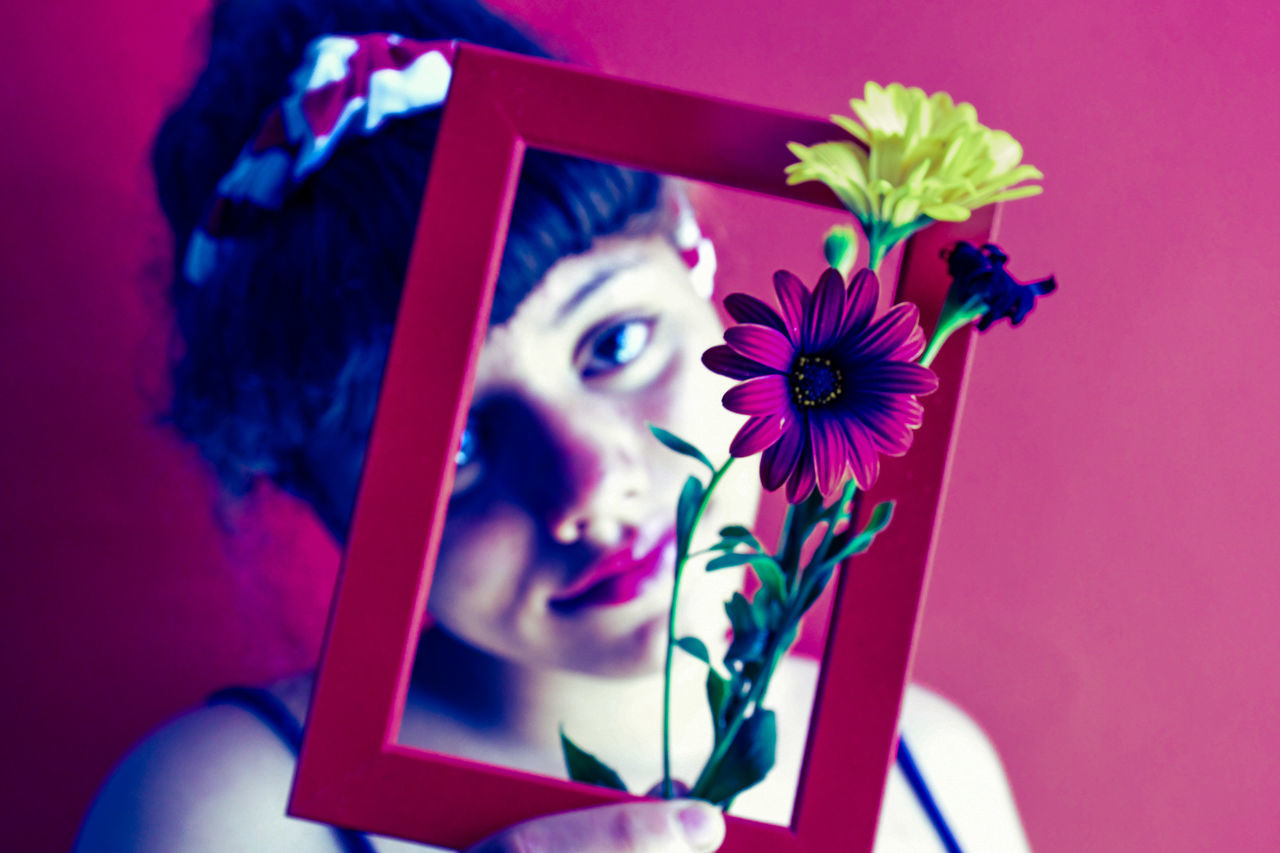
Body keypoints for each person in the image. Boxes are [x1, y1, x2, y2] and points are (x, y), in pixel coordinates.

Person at [74, 0, 1034, 850]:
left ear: (698, 270)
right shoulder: (215, 815)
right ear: (317, 490)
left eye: (615, 343)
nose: (586, 484)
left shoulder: (932, 769)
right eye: (452, 441)